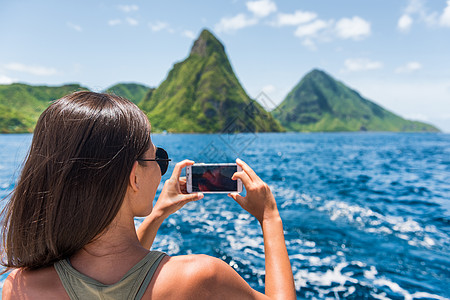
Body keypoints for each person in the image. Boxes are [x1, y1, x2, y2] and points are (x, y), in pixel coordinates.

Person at [1, 91, 296, 299]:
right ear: (134, 176)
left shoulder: (19, 287)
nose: (162, 172)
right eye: (160, 160)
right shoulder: (202, 278)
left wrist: (156, 214)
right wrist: (269, 217)